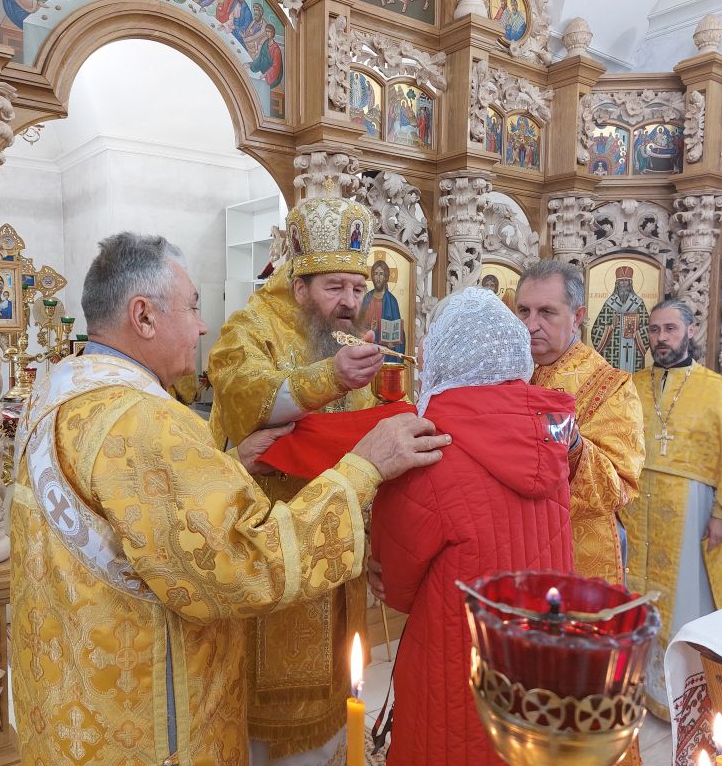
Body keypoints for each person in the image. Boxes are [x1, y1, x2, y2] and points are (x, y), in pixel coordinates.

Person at [10, 232, 450, 765]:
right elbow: (246, 563)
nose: (202, 326)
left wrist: (231, 466)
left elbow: (137, 515)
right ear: (143, 316)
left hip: (76, 703)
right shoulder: (145, 422)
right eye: (193, 307)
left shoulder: (58, 392)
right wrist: (365, 467)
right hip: (150, 728)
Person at [208, 197, 386, 764]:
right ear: (300, 282)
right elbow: (242, 393)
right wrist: (327, 378)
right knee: (269, 718)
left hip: (338, 544)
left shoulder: (344, 339)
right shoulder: (251, 326)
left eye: (357, 288)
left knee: (337, 690)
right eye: (335, 287)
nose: (349, 301)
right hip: (273, 543)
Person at [370, 287, 575, 766]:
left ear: (449, 355)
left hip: (458, 660)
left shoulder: (428, 448)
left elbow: (395, 584)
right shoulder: (549, 436)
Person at [620, 299, 722, 720]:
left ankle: (683, 700)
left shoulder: (717, 390)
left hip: (691, 511)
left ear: (690, 331)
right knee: (637, 598)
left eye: (669, 329)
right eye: (654, 330)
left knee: (687, 601)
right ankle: (640, 690)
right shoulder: (632, 385)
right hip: (637, 508)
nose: (661, 338)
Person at [515, 259, 644, 584]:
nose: (530, 325)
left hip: (578, 551)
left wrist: (573, 446)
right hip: (513, 542)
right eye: (524, 311)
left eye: (546, 312)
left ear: (577, 317)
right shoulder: (508, 371)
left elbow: (618, 487)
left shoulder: (611, 386)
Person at [590, 266, 651, 373]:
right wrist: (611, 327)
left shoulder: (638, 303)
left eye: (626, 281)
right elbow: (596, 329)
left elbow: (648, 328)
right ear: (617, 283)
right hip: (613, 353)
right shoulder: (610, 304)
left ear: (630, 283)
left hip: (634, 351)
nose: (623, 284)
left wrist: (637, 332)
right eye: (621, 281)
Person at [361, 259, 405, 356]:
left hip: (385, 353)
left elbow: (398, 332)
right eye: (376, 274)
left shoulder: (392, 301)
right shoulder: (367, 298)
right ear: (372, 276)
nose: (378, 278)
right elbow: (358, 326)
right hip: (366, 349)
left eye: (381, 274)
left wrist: (393, 342)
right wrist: (371, 330)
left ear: (386, 277)